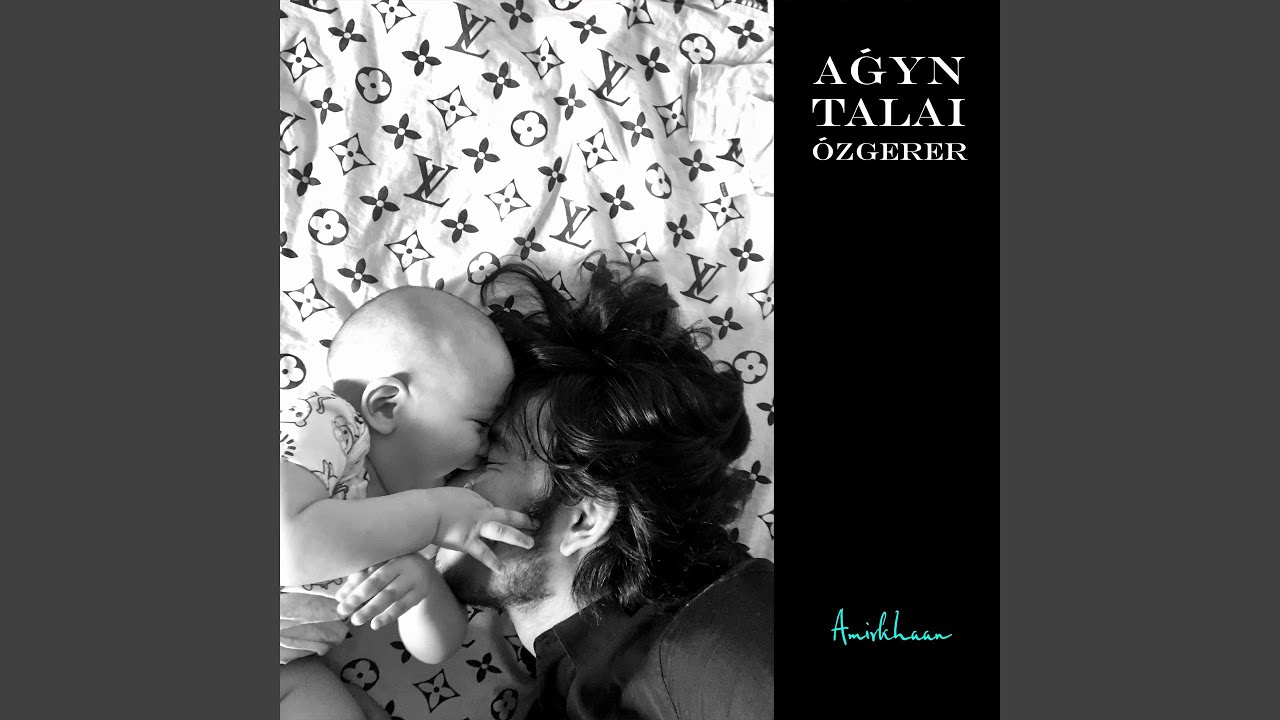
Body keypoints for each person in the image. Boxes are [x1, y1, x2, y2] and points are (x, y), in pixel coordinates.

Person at [415, 260, 774, 719]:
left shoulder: (717, 639)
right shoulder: (576, 681)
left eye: (488, 459)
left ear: (585, 519)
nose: (445, 477)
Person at [279, 286, 539, 720]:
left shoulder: (413, 518)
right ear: (386, 406)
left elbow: (438, 648)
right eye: (481, 425)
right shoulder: (325, 421)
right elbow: (288, 547)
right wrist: (432, 517)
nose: (485, 450)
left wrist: (422, 583)